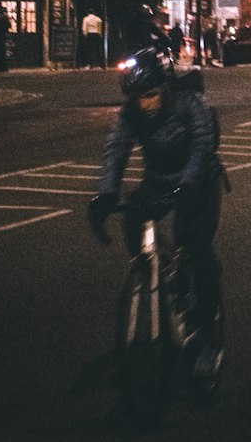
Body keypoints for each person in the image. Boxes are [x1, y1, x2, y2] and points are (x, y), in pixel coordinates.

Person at [88, 45, 223, 379]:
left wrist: (190, 184)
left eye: (151, 95)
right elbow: (116, 149)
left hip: (200, 181)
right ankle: (155, 272)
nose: (145, 103)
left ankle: (207, 339)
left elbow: (202, 145)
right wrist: (106, 193)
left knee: (193, 243)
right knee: (135, 221)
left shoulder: (190, 103)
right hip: (159, 181)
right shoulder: (132, 112)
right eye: (138, 97)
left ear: (165, 88)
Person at [0, 6, 11, 72]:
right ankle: (3, 67)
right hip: (2, 37)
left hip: (0, 38)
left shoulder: (2, 20)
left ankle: (3, 67)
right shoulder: (5, 20)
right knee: (2, 53)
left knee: (1, 53)